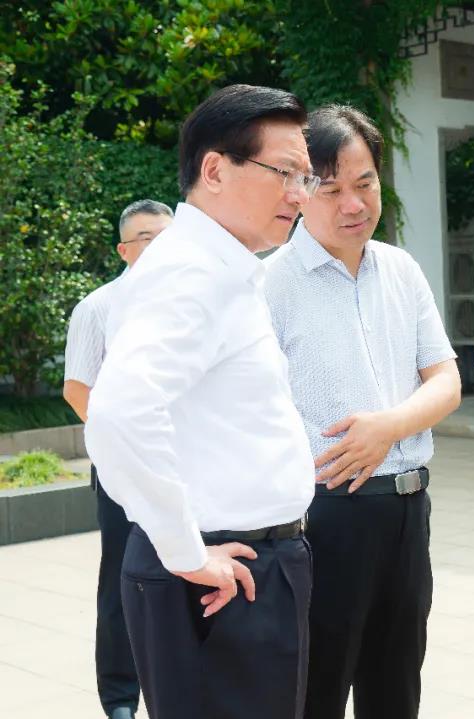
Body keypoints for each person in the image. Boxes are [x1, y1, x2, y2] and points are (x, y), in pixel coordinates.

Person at [84, 84, 322, 719]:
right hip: (225, 574)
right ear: (215, 170)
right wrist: (186, 551)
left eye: (305, 177)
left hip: (241, 564)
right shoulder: (193, 273)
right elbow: (119, 414)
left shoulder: (220, 267)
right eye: (285, 173)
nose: (300, 195)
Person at [263, 104, 461, 719]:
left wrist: (389, 426)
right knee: (315, 691)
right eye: (331, 189)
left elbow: (446, 379)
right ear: (299, 191)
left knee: (397, 689)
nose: (354, 204)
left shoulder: (401, 269)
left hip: (407, 510)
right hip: (321, 517)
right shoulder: (269, 284)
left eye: (366, 183)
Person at [63, 199, 172, 719]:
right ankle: (121, 698)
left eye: (168, 237)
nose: (161, 248)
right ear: (123, 250)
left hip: (186, 468)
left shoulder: (190, 303)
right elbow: (78, 389)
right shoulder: (98, 307)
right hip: (123, 471)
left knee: (185, 575)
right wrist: (124, 444)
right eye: (147, 238)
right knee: (124, 581)